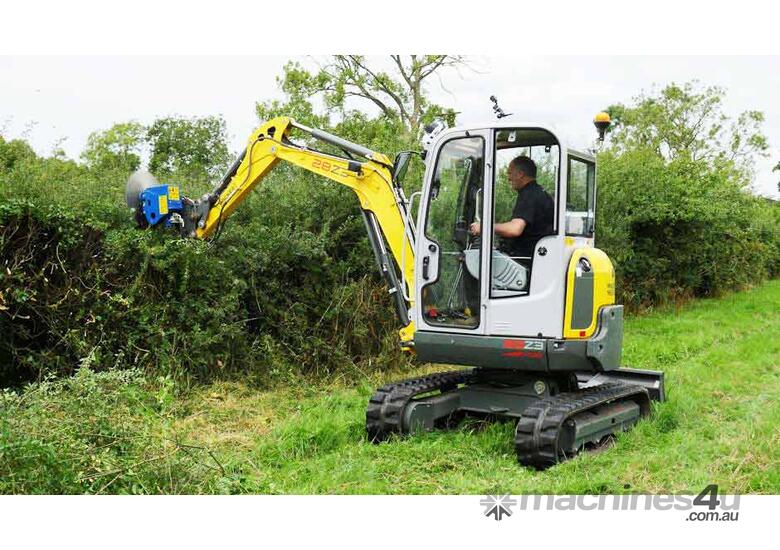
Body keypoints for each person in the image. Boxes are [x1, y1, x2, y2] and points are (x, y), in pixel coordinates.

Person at [469, 155, 554, 261]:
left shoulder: (529, 195)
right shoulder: (540, 193)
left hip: (525, 260)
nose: (508, 178)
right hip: (537, 257)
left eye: (510, 173)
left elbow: (515, 229)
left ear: (520, 174)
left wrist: (484, 227)